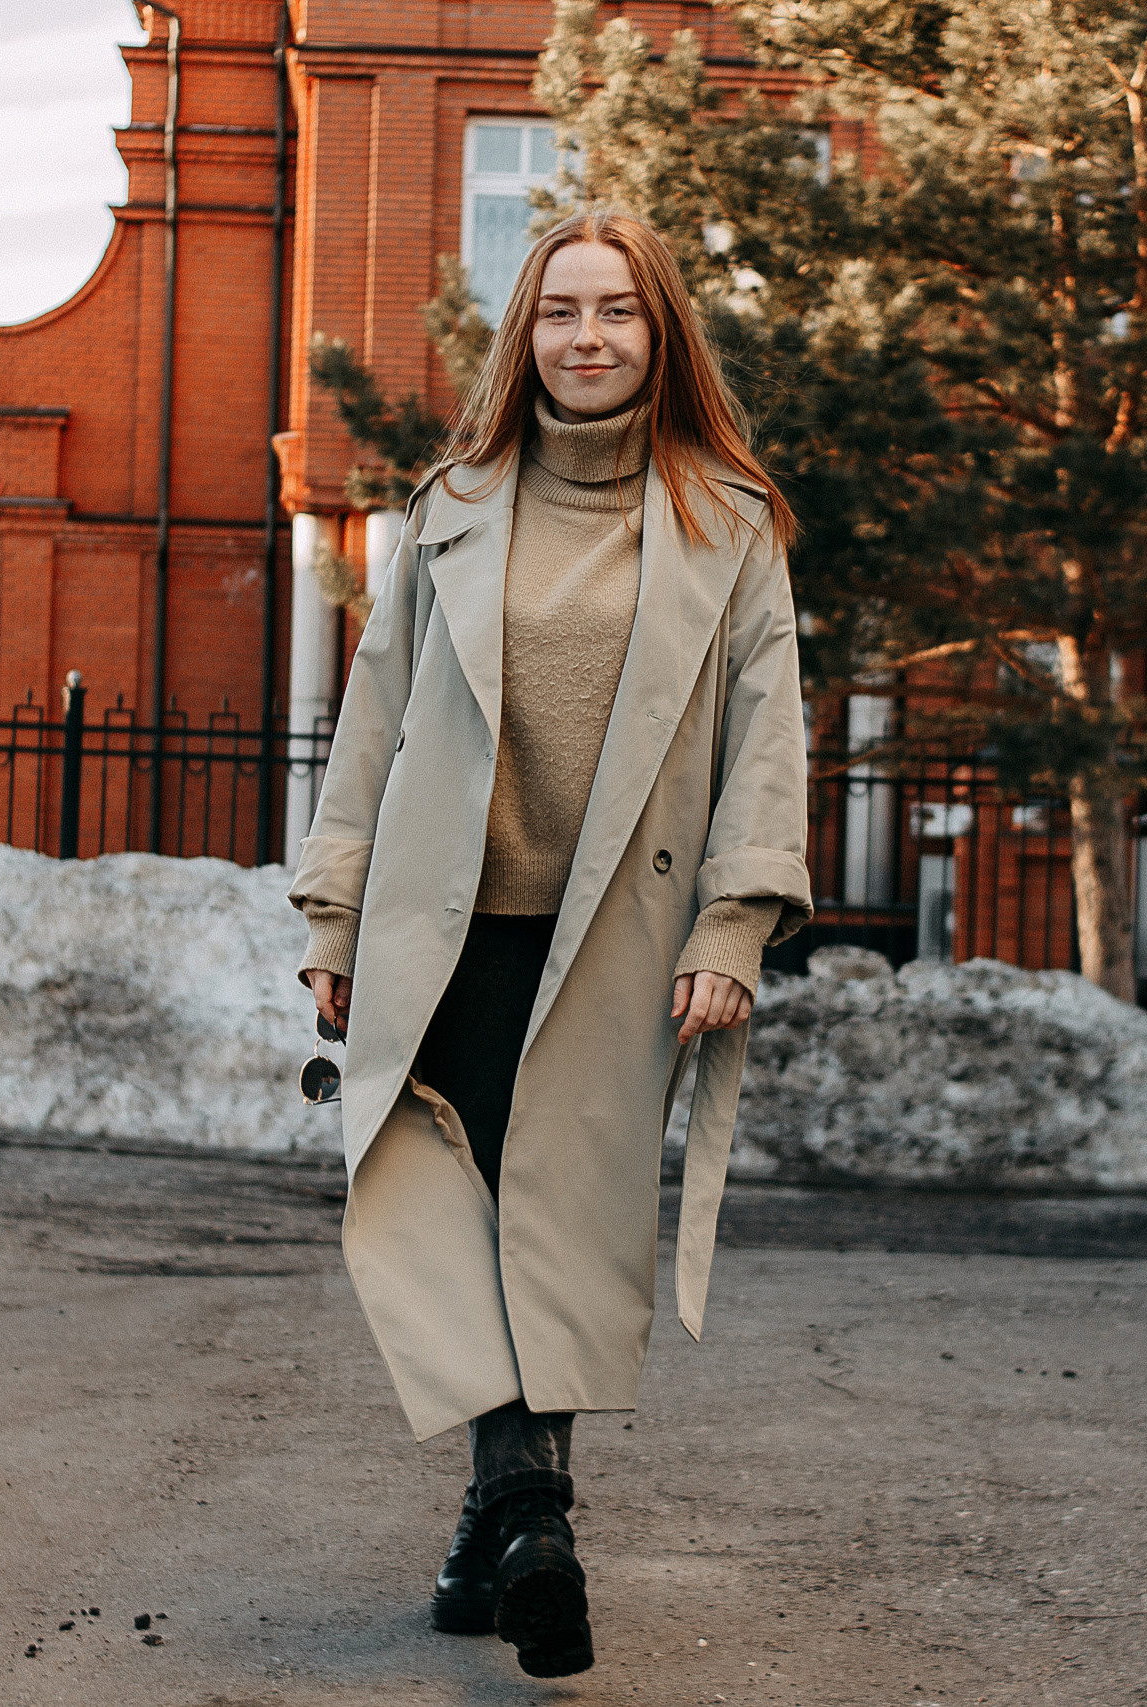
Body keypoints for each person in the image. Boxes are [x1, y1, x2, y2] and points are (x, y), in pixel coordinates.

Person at [285, 206, 812, 1678]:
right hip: (442, 933)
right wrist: (331, 909)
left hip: (618, 944)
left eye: (619, 312)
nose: (589, 336)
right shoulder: (453, 505)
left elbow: (771, 741)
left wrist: (735, 922)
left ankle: (507, 1524)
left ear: (661, 335)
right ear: (526, 335)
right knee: (446, 1212)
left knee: (556, 1229)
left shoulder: (729, 521)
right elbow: (370, 724)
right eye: (562, 309)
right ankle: (524, 1518)